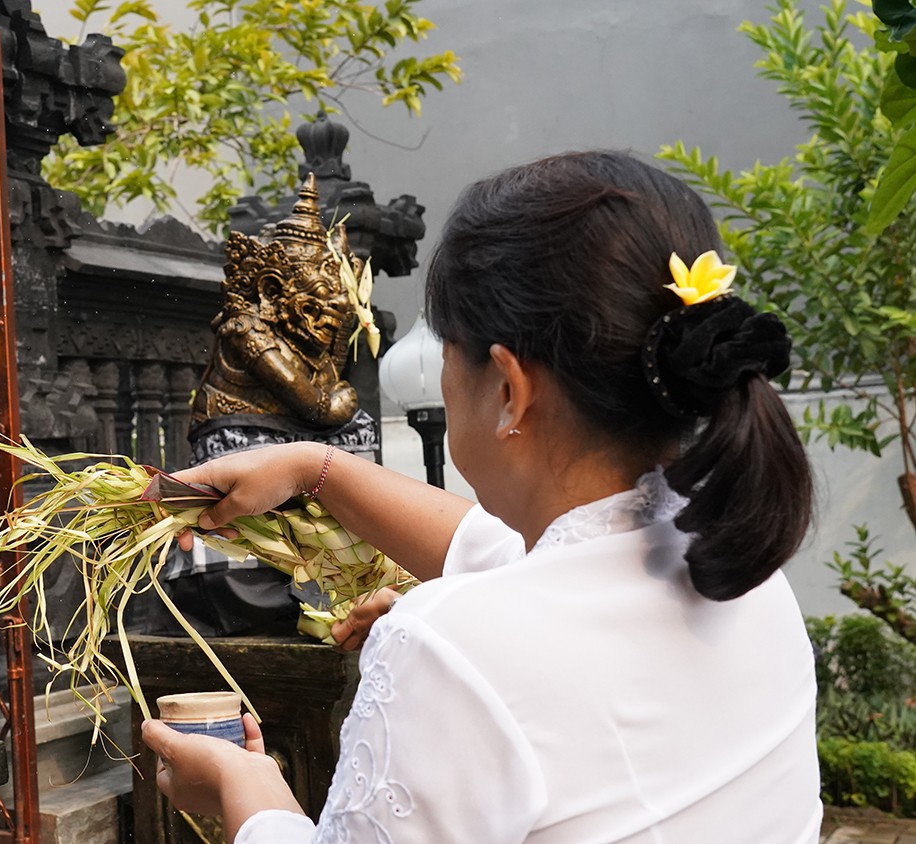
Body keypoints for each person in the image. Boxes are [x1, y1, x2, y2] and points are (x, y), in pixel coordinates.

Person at [142, 151, 819, 842]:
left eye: (445, 351)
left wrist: (247, 792)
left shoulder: (448, 644)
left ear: (508, 389)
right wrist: (318, 467)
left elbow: (490, 618)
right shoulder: (740, 561)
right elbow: (497, 554)